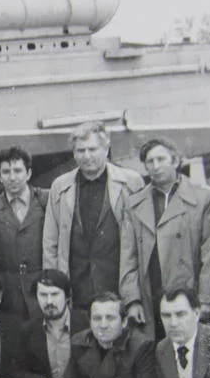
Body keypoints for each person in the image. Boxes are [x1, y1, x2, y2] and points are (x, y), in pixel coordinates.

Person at [120, 136, 210, 341]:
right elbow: (128, 256)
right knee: (158, 352)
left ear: (175, 161)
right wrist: (132, 300)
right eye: (150, 161)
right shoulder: (134, 204)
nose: (156, 166)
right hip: (152, 293)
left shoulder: (203, 199)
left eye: (161, 159)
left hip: (190, 293)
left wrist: (208, 298)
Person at [43, 121, 144, 311]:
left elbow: (141, 242)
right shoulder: (60, 186)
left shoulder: (131, 182)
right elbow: (50, 243)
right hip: (77, 291)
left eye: (92, 149)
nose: (87, 156)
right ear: (74, 153)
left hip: (118, 289)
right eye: (80, 150)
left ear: (106, 149)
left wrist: (134, 295)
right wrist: (55, 290)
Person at [0, 146, 49, 321]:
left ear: (28, 173)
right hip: (10, 299)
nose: (12, 177)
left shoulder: (46, 201)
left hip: (44, 292)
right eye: (6, 172)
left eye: (18, 171)